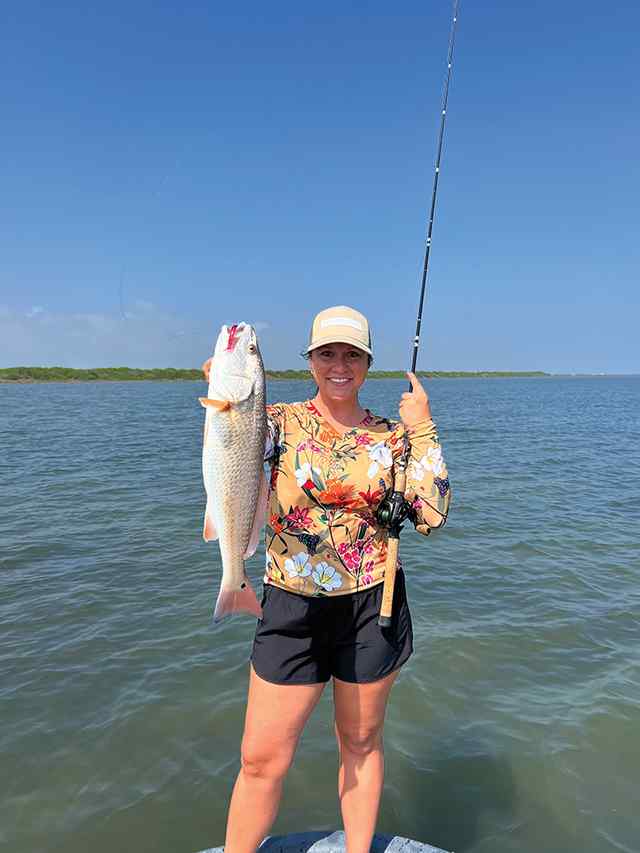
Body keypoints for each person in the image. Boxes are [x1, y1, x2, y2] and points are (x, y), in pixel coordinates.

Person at [201, 305, 451, 853]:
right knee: (259, 758)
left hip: (372, 609)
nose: (339, 365)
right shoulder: (277, 420)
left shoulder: (392, 436)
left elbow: (431, 515)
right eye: (326, 354)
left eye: (352, 355)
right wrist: (222, 384)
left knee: (361, 744)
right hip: (288, 608)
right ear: (310, 361)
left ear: (366, 364)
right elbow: (231, 446)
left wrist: (423, 428)